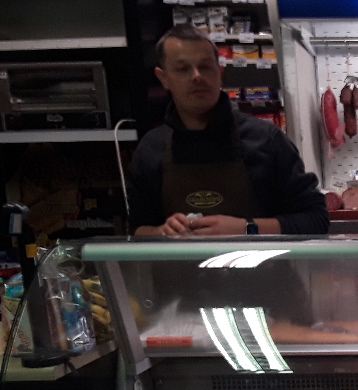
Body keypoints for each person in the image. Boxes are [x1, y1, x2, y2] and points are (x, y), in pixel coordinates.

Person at [128, 24, 328, 236]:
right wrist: (162, 232)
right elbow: (136, 229)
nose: (197, 76)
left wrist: (247, 228)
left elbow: (316, 220)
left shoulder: (267, 140)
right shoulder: (151, 149)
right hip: (179, 259)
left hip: (259, 260)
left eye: (205, 66)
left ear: (220, 72)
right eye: (183, 69)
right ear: (164, 78)